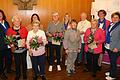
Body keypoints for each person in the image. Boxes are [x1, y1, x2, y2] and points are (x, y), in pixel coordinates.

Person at [6, 15, 28, 80]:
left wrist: (25, 42)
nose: (17, 22)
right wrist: (11, 45)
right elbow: (8, 40)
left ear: (20, 22)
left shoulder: (24, 29)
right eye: (15, 21)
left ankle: (24, 74)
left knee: (24, 62)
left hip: (23, 49)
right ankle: (18, 74)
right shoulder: (9, 30)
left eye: (18, 21)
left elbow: (27, 38)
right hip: (15, 50)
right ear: (13, 22)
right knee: (17, 63)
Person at [105, 12, 120, 80]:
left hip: (115, 47)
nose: (114, 19)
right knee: (111, 60)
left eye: (116, 17)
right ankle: (111, 71)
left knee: (113, 61)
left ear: (119, 18)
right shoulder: (111, 24)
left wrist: (117, 47)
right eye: (113, 17)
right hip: (109, 46)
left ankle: (113, 75)